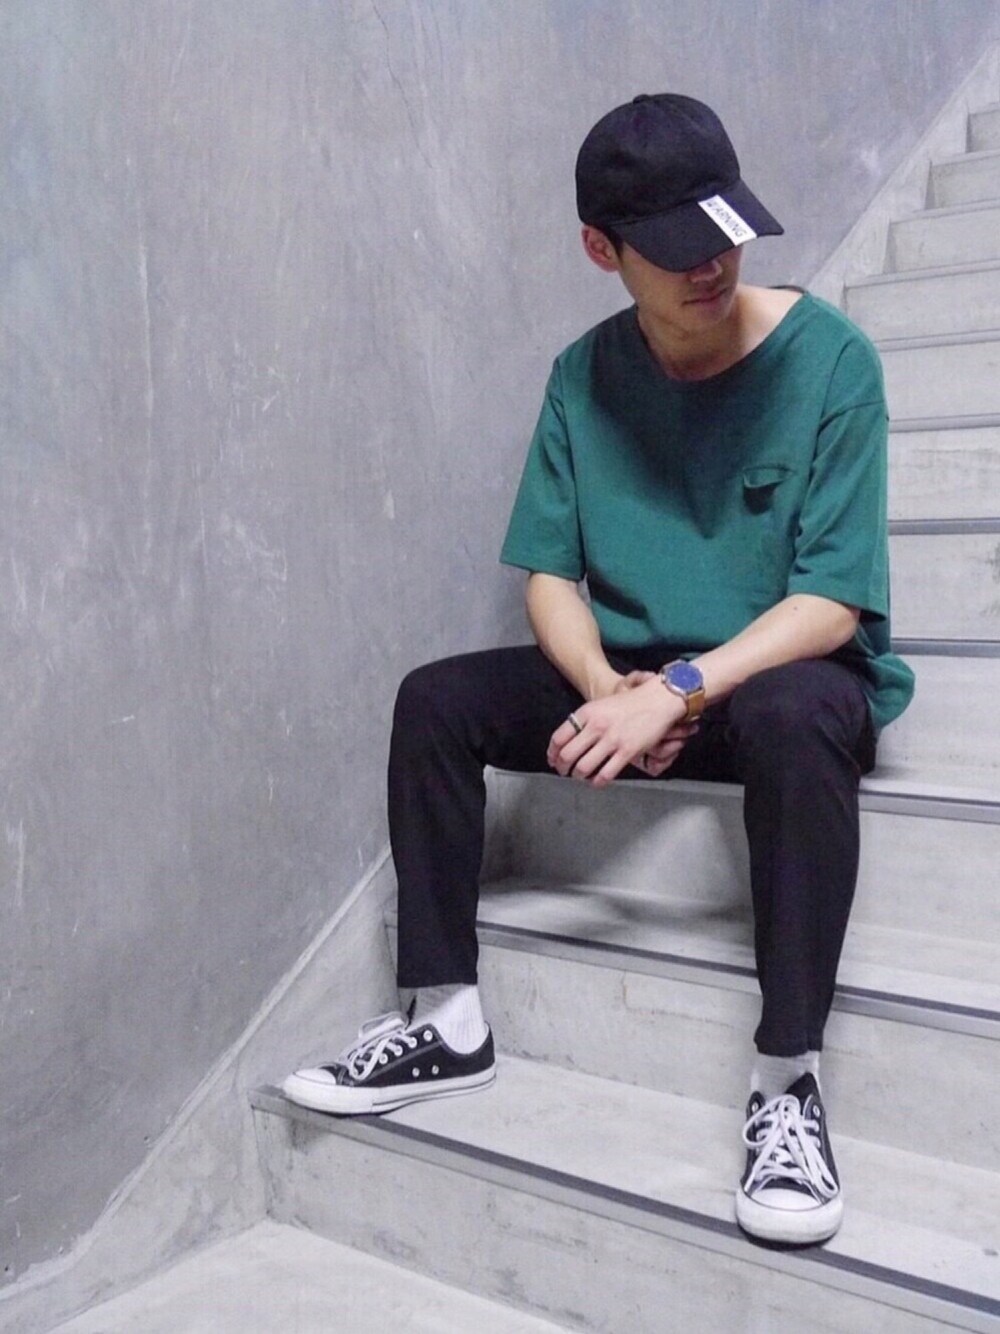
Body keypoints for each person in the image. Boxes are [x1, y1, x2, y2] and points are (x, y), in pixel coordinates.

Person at [283, 93, 914, 1247]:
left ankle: (787, 1082)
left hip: (775, 678)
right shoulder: (582, 376)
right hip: (635, 680)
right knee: (435, 700)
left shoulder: (833, 361)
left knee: (796, 716)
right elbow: (550, 575)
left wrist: (681, 687)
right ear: (599, 250)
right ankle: (444, 1015)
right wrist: (604, 687)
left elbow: (829, 603)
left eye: (725, 232)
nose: (711, 264)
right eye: (675, 247)